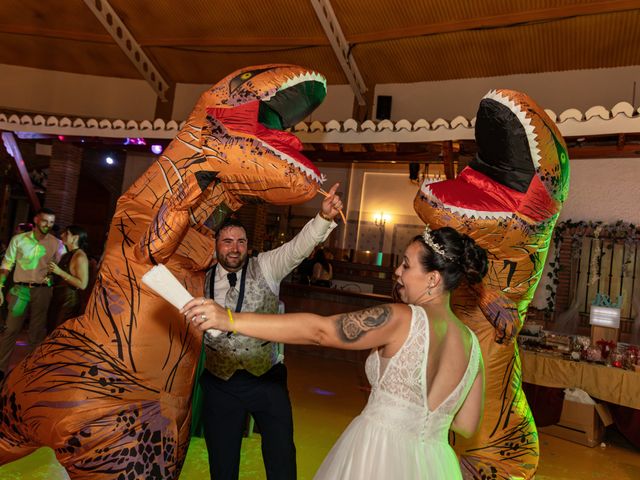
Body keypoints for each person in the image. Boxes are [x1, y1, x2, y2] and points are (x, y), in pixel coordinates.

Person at [184, 225, 488, 479]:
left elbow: (320, 331)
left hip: (379, 455)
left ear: (433, 279)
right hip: (434, 464)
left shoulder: (401, 318)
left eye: (406, 265)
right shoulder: (472, 344)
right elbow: (465, 424)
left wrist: (230, 319)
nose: (397, 271)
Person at [198, 182, 343, 479]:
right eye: (227, 241)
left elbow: (297, 248)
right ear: (216, 245)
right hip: (220, 383)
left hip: (266, 380)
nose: (234, 248)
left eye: (240, 241)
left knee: (281, 459)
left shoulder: (265, 266)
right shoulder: (199, 278)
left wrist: (324, 217)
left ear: (248, 244)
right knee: (222, 464)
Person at [0, 208, 65, 382]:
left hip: (42, 290)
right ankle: (0, 369)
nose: (48, 225)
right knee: (11, 329)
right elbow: (6, 265)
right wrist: (0, 286)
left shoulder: (56, 244)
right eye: (45, 221)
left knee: (36, 333)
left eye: (51, 222)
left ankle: (31, 373)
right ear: (36, 220)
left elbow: (62, 267)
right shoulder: (19, 240)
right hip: (20, 290)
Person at [47, 225, 90, 331]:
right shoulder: (66, 255)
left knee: (59, 332)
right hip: (58, 299)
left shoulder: (80, 257)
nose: (62, 235)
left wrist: (60, 272)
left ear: (75, 238)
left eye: (66, 233)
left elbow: (82, 284)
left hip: (68, 303)